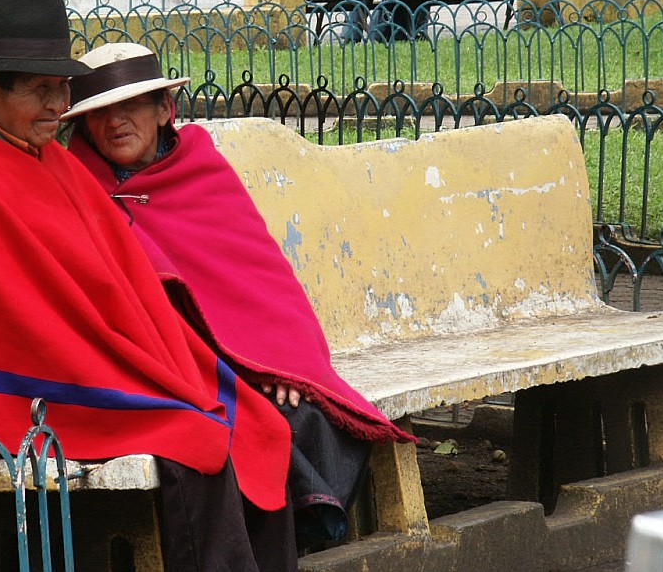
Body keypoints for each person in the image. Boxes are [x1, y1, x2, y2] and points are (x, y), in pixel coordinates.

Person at [0, 0, 297, 572]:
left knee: (256, 421)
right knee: (193, 441)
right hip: (21, 394)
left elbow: (117, 280)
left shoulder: (44, 156)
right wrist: (120, 375)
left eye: (63, 87)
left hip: (77, 368)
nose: (58, 106)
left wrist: (150, 359)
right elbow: (8, 325)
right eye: (41, 90)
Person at [63, 42, 412, 552]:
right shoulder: (73, 184)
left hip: (235, 361)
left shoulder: (202, 171)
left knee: (296, 415)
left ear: (165, 110)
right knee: (234, 428)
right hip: (158, 367)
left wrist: (283, 362)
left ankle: (302, 535)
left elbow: (260, 275)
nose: (115, 122)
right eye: (99, 112)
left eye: (130, 106)